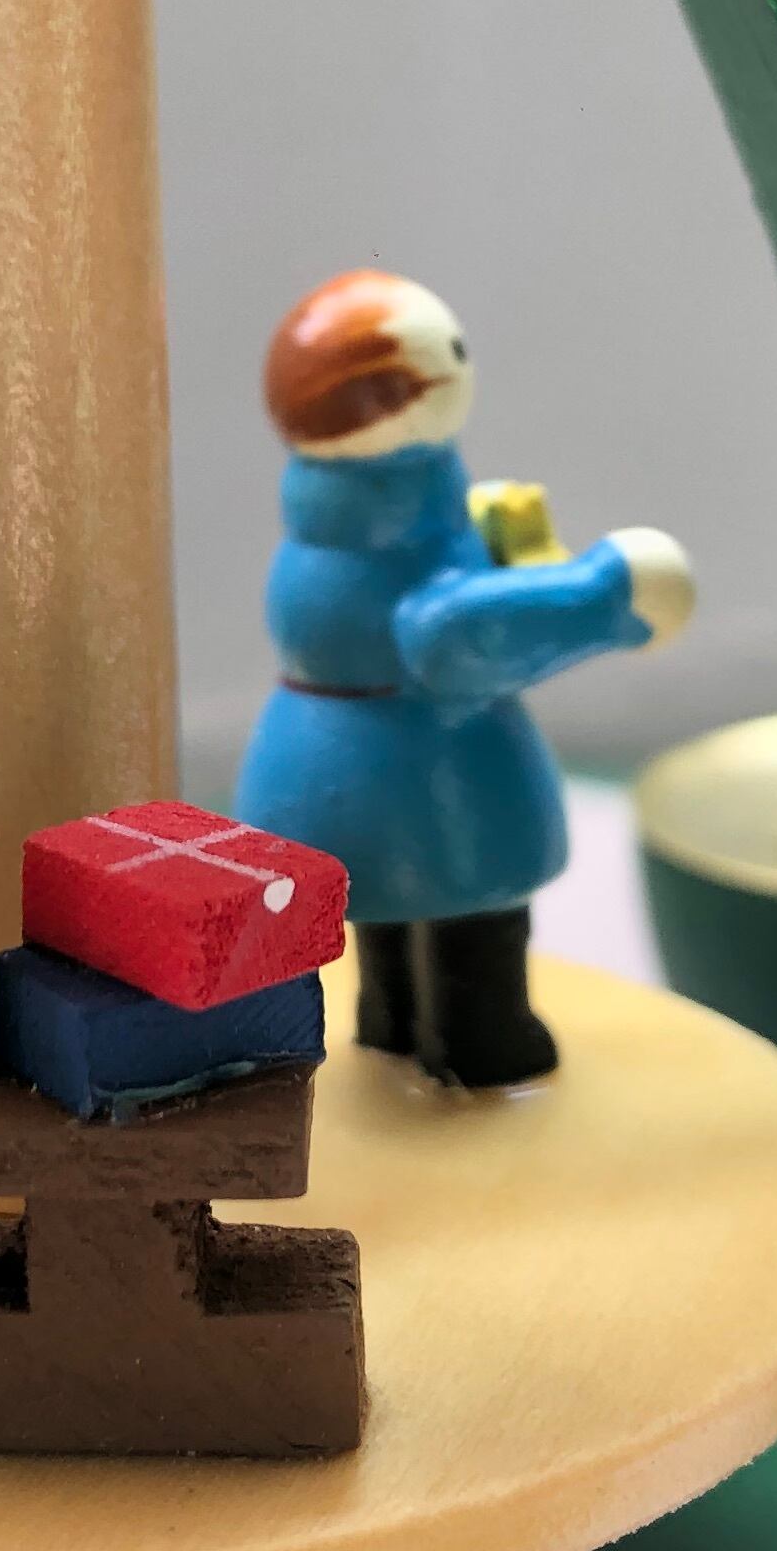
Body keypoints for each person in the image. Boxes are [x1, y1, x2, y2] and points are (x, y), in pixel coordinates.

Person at [232, 270, 691, 1088]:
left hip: (327, 766)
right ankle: (483, 1040)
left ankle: (395, 1022)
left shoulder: (342, 523)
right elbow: (455, 635)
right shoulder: (381, 537)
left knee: (386, 928)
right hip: (429, 779)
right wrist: (608, 596)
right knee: (472, 923)